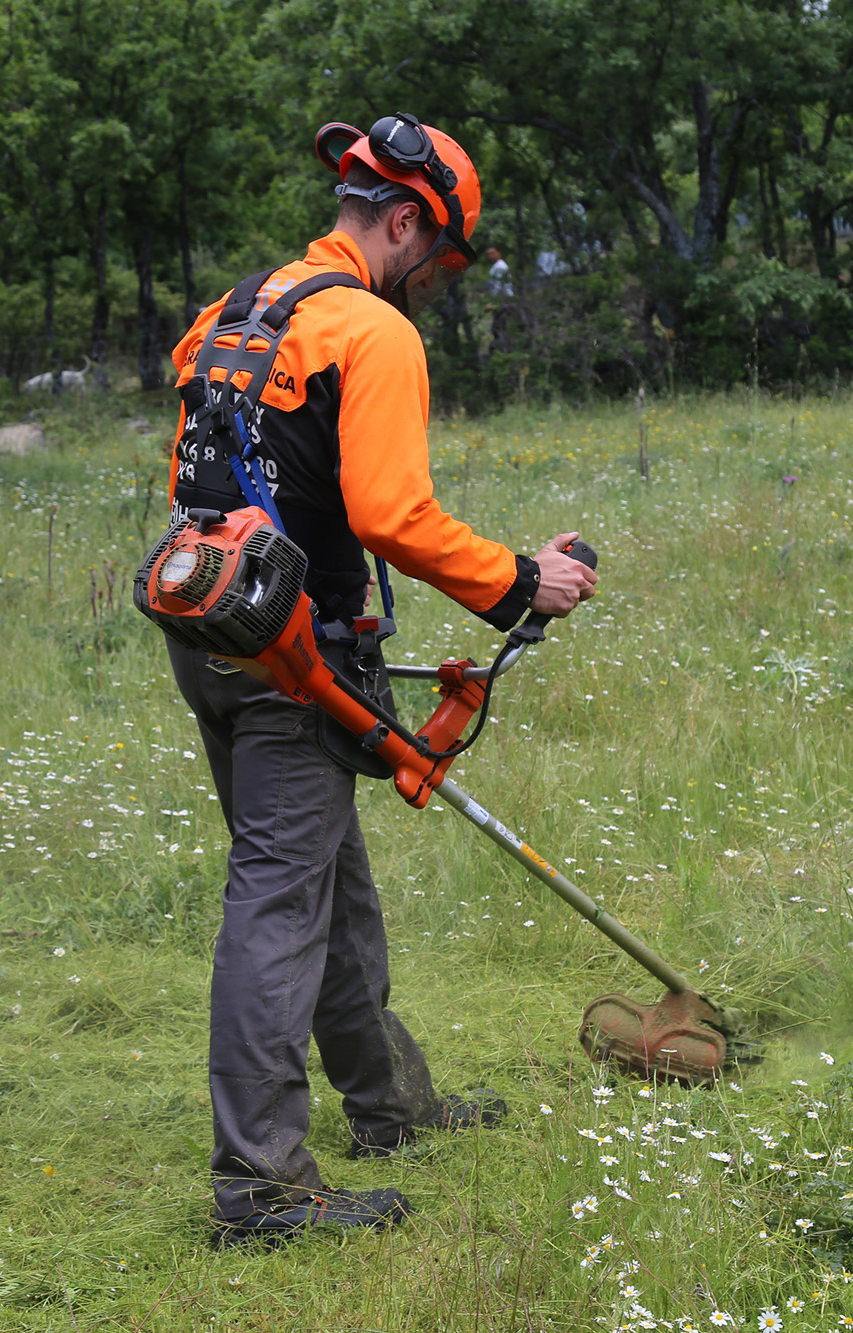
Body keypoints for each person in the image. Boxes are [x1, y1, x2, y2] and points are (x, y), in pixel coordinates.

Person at [162, 113, 598, 1244]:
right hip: (289, 649)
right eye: (441, 263)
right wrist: (518, 581)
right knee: (278, 896)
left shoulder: (231, 317)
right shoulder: (369, 331)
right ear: (405, 222)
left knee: (322, 876)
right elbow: (391, 515)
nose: (436, 285)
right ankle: (259, 1189)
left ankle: (390, 1105)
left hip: (208, 620)